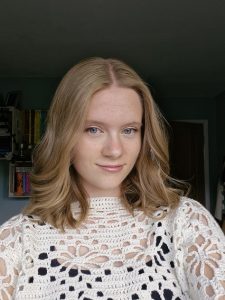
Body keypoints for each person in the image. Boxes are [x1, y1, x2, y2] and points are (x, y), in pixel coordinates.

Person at [0, 57, 225, 300]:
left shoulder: (186, 222)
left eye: (129, 130)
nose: (115, 150)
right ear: (64, 135)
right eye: (94, 129)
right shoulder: (17, 239)